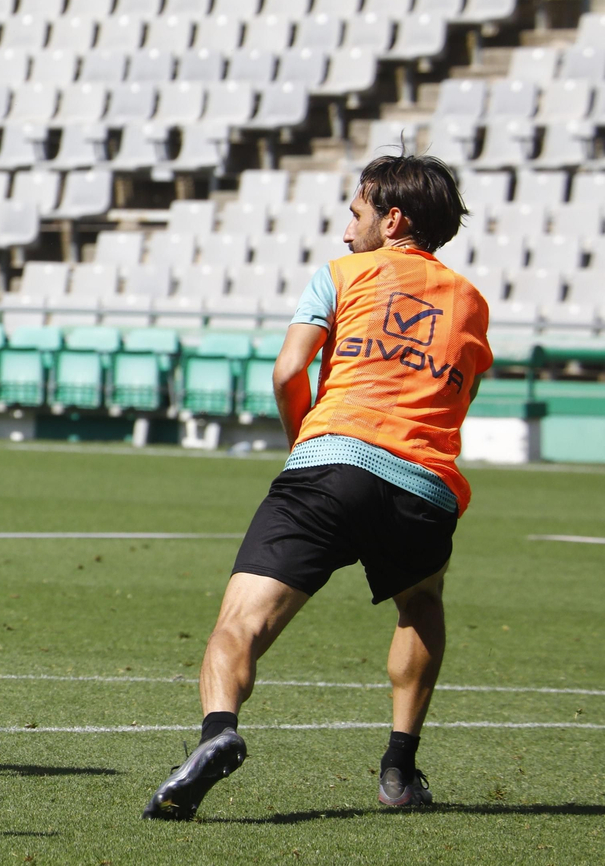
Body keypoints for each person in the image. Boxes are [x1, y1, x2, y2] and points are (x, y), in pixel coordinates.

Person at [142, 154, 492, 821]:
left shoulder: (342, 275)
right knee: (421, 602)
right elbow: (456, 394)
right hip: (425, 484)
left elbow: (288, 370)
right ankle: (397, 769)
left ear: (392, 220)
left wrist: (305, 441)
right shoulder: (471, 301)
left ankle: (218, 733)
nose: (344, 232)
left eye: (354, 214)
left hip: (331, 462)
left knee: (239, 624)